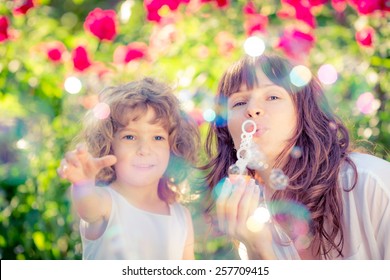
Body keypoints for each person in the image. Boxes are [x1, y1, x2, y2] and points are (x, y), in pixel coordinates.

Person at [202, 53, 390, 260]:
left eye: (272, 96)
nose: (252, 109)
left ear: (303, 111)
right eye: (238, 102)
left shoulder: (371, 183)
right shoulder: (251, 215)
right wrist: (258, 250)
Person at [58, 77, 199, 260]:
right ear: (109, 144)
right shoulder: (105, 204)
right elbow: (87, 206)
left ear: (173, 148)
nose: (144, 150)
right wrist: (83, 185)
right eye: (130, 137)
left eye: (158, 138)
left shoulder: (181, 217)